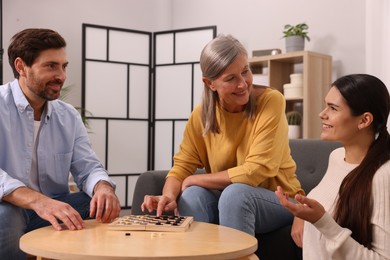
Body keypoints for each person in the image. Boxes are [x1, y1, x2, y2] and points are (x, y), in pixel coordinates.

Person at [142, 34, 303, 237]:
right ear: (210, 83)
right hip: (229, 198)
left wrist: (194, 180)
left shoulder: (271, 101)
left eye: (245, 71)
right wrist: (168, 195)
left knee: (234, 195)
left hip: (281, 200)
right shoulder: (201, 116)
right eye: (231, 79)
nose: (243, 84)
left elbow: (257, 171)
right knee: (192, 195)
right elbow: (182, 166)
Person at [0, 28, 121, 259]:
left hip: (54, 204)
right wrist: (38, 201)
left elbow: (88, 167)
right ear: (21, 66)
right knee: (5, 216)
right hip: (10, 206)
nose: (62, 76)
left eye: (64, 66)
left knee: (98, 204)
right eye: (51, 66)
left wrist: (103, 188)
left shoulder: (68, 116)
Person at [276, 74, 390, 259]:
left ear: (364, 120)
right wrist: (300, 215)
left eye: (333, 108)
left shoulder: (383, 175)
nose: (322, 114)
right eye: (325, 105)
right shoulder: (336, 157)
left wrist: (321, 222)